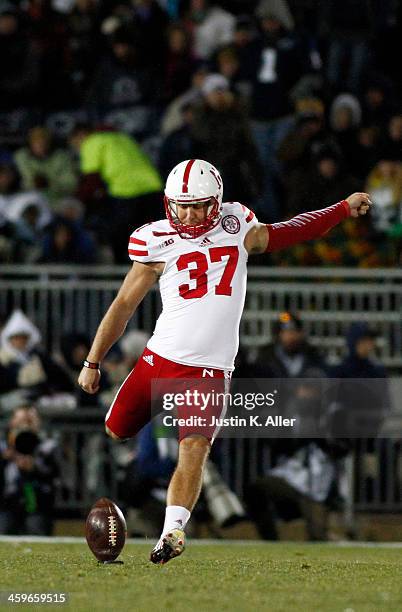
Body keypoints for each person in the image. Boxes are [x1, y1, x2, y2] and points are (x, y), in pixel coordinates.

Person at [78, 158, 371, 564]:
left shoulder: (237, 224)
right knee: (116, 430)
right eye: (183, 205)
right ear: (170, 203)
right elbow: (124, 304)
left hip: (210, 368)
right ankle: (151, 477)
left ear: (216, 202)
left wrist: (339, 209)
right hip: (159, 356)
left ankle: (171, 532)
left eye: (199, 205)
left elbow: (289, 231)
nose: (191, 214)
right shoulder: (155, 239)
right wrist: (93, 361)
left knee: (193, 448)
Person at [0, 406, 59, 535]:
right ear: (12, 422)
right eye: (20, 420)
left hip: (37, 503)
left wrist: (34, 467)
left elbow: (55, 474)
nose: (24, 424)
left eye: (28, 421)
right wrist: (6, 458)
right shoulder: (3, 445)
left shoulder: (46, 446)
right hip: (7, 503)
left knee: (37, 529)